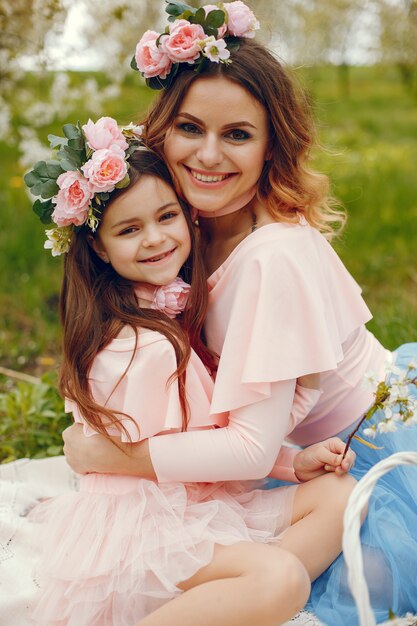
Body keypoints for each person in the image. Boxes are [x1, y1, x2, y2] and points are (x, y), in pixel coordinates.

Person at [61, 2, 417, 625]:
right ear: (160, 132)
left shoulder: (270, 259)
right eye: (191, 128)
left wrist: (111, 457)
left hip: (366, 448)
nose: (208, 155)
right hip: (293, 445)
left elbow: (251, 451)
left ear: (270, 146)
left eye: (238, 135)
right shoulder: (187, 226)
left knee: (355, 575)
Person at [24, 116, 356, 626]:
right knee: (281, 577)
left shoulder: (161, 307)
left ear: (188, 216)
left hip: (195, 498)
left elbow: (205, 438)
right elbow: (160, 457)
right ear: (97, 245)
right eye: (129, 229)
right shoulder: (141, 345)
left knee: (340, 495)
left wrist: (292, 463)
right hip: (145, 526)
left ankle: (225, 604)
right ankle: (227, 599)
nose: (155, 240)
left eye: (167, 217)